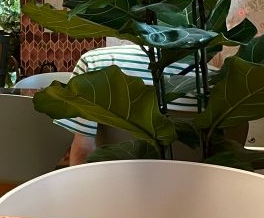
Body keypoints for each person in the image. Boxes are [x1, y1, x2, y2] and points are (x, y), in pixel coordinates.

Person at [57, 44, 205, 165]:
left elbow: (83, 151)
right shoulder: (208, 76)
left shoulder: (95, 62)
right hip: (192, 185)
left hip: (113, 183)